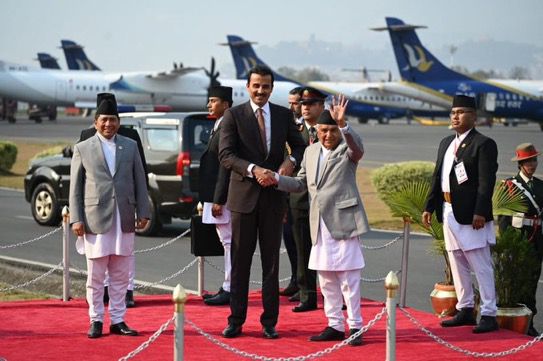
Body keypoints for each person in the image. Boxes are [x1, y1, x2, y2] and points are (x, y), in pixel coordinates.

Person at [268, 95, 368, 346]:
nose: (327, 135)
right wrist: (277, 180)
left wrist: (344, 125)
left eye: (332, 130)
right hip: (319, 224)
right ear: (317, 131)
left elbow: (358, 149)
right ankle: (334, 324)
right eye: (323, 130)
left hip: (343, 221)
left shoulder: (347, 148)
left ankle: (355, 325)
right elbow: (301, 183)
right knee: (326, 278)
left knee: (348, 279)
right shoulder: (311, 151)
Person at [218, 65, 305, 339]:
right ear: (248, 87)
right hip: (243, 199)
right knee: (240, 263)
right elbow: (226, 155)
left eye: (265, 86)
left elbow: (300, 146)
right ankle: (236, 320)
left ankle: (269, 322)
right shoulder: (234, 115)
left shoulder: (282, 115)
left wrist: (289, 163)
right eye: (256, 86)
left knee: (271, 264)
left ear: (271, 88)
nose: (260, 91)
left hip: (273, 200)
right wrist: (254, 170)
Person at [69, 93, 149, 339]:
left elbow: (140, 180)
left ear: (118, 122)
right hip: (95, 219)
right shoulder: (83, 148)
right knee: (95, 276)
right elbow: (76, 186)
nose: (108, 124)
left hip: (123, 217)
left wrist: (143, 211)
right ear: (95, 122)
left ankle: (117, 319)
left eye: (113, 120)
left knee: (120, 274)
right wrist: (76, 218)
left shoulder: (130, 145)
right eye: (104, 120)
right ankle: (95, 320)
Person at [422, 94, 499, 334]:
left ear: (474, 117)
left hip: (471, 214)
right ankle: (465, 308)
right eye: (453, 112)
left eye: (462, 112)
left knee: (480, 262)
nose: (456, 116)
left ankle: (488, 312)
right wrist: (429, 206)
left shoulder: (483, 143)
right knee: (456, 260)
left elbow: (486, 183)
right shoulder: (446, 142)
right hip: (448, 209)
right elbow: (438, 177)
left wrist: (480, 211)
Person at [288, 86, 327, 313]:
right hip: (300, 198)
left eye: (310, 104)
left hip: (325, 201)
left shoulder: (331, 129)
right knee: (303, 250)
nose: (304, 108)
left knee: (330, 250)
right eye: (302, 104)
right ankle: (307, 295)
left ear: (321, 106)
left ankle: (336, 294)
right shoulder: (295, 130)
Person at [498, 143, 543, 337]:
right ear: (520, 164)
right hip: (518, 239)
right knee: (517, 281)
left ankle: (529, 322)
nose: (532, 164)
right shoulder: (509, 185)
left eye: (534, 160)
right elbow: (503, 218)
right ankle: (516, 321)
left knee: (532, 281)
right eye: (527, 161)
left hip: (537, 240)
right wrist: (507, 242)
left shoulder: (541, 185)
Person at [199, 86, 233, 306]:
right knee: (225, 241)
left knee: (229, 242)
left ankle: (231, 288)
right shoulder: (218, 125)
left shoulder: (227, 128)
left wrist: (219, 199)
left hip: (222, 195)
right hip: (214, 193)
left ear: (226, 104)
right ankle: (228, 285)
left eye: (213, 101)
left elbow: (225, 166)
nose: (209, 105)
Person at [280, 86, 304, 299]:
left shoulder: (307, 129)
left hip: (302, 189)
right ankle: (295, 279)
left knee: (301, 239)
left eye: (295, 103)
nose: (292, 107)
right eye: (290, 102)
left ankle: (305, 283)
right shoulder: (290, 124)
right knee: (289, 236)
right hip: (287, 187)